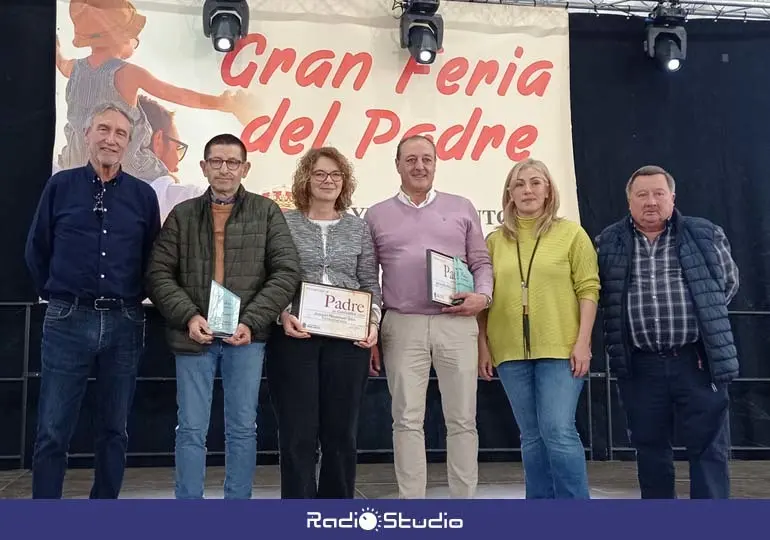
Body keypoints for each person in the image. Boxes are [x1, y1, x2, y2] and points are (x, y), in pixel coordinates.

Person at [145, 133, 301, 499]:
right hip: (192, 335)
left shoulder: (267, 212)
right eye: (216, 161)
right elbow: (158, 273)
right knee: (191, 429)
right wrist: (188, 316)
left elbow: (286, 272)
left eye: (233, 162)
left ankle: (237, 511)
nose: (225, 169)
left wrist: (252, 321)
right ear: (203, 167)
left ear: (245, 168)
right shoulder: (182, 215)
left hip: (244, 338)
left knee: (243, 428)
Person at [24, 101, 161, 499]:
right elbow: (37, 250)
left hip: (124, 323)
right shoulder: (59, 186)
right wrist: (59, 294)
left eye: (120, 133)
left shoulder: (143, 196)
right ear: (86, 135)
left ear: (129, 142)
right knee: (52, 430)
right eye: (103, 129)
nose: (110, 139)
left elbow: (152, 257)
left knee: (114, 430)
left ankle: (103, 515)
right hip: (68, 319)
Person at [595, 165, 740, 499]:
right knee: (650, 450)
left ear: (672, 198)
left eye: (658, 193)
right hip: (640, 365)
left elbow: (727, 285)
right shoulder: (607, 241)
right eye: (641, 194)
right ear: (629, 201)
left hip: (697, 361)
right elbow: (603, 295)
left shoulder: (705, 234)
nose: (651, 201)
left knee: (709, 450)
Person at [364, 135, 493, 499]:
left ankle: (464, 502)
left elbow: (481, 262)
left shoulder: (462, 207)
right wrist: (371, 328)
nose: (419, 166)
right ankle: (412, 505)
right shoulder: (376, 214)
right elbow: (368, 276)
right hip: (401, 325)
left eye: (426, 159)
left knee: (463, 419)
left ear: (436, 163)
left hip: (457, 323)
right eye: (410, 160)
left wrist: (482, 296)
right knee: (406, 420)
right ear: (398, 165)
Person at [478, 159, 599, 499]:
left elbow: (588, 289)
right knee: (531, 436)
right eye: (519, 184)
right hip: (509, 351)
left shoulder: (572, 234)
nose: (527, 190)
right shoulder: (493, 241)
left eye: (535, 182)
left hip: (561, 349)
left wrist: (583, 342)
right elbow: (484, 298)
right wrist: (483, 347)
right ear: (509, 193)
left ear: (548, 191)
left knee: (558, 430)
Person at [266, 147, 382, 499]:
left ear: (344, 181)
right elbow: (271, 275)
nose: (328, 180)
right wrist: (282, 313)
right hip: (294, 337)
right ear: (306, 178)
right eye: (320, 173)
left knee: (341, 434)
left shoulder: (358, 228)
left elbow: (369, 283)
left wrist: (372, 324)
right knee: (298, 434)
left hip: (348, 342)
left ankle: (336, 513)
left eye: (335, 174)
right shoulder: (284, 222)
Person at [55, 0, 253, 181]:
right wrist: (220, 103)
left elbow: (61, 63)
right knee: (171, 186)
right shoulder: (127, 73)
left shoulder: (75, 68)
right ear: (122, 37)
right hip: (127, 170)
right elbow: (177, 94)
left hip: (76, 166)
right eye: (135, 39)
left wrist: (54, 47)